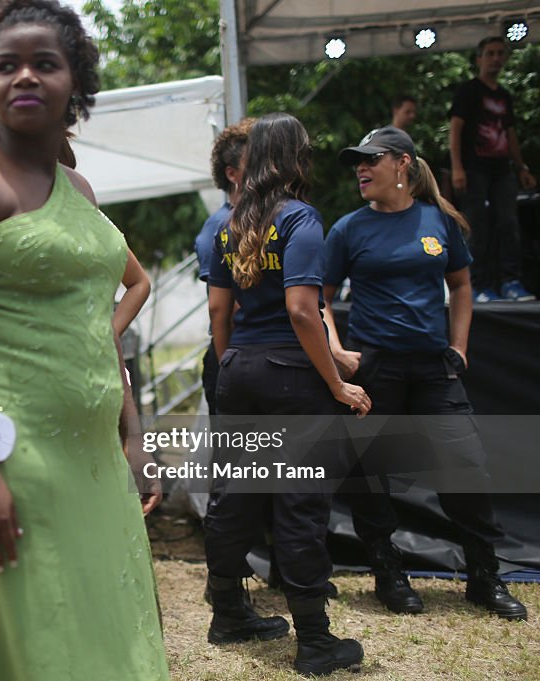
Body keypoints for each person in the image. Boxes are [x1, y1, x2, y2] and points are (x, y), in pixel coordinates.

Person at [0, 1, 169, 678]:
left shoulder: (79, 188)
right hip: (7, 452)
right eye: (7, 65)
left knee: (106, 634)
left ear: (76, 82)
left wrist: (133, 434)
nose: (24, 77)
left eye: (45, 63)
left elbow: (96, 321)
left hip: (90, 458)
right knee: (46, 643)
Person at [324, 125, 528, 621]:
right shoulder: (348, 229)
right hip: (377, 369)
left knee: (467, 466)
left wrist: (459, 347)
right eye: (358, 161)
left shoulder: (440, 223)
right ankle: (387, 573)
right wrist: (337, 351)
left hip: (434, 369)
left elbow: (461, 287)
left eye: (372, 159)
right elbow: (320, 298)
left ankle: (484, 577)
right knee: (371, 476)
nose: (361, 168)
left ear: (404, 166)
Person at [205, 112, 370, 676]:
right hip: (290, 376)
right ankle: (317, 643)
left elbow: (218, 312)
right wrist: (336, 383)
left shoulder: (232, 223)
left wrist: (233, 362)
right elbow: (304, 310)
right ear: (294, 157)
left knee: (238, 494)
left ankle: (227, 613)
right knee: (299, 503)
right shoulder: (301, 218)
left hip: (241, 370)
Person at [449, 36, 537, 302]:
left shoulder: (504, 96)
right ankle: (477, 285)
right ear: (479, 59)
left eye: (501, 53)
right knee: (477, 226)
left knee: (509, 224)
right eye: (490, 53)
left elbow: (510, 134)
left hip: (501, 170)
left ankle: (510, 281)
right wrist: (457, 168)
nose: (496, 58)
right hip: (474, 168)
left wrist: (521, 166)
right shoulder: (469, 90)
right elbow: (455, 129)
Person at [195, 118, 252, 415]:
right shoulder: (219, 228)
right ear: (232, 174)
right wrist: (228, 365)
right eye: (254, 162)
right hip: (233, 358)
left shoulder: (268, 219)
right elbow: (223, 309)